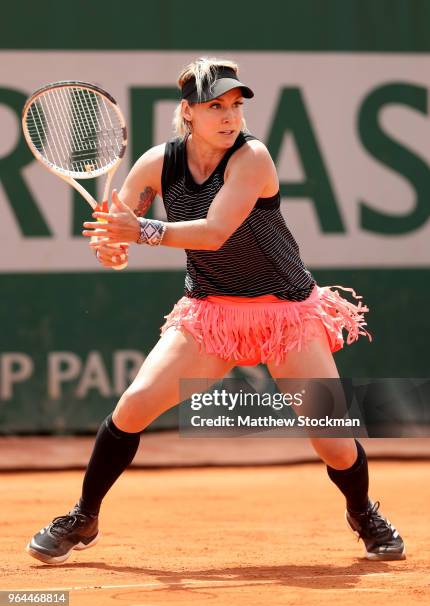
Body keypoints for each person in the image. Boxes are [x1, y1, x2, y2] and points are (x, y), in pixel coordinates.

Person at [26, 57, 405, 564]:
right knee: (134, 406)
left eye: (235, 106)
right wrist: (112, 246)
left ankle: (363, 513)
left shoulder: (253, 158)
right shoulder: (156, 164)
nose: (229, 117)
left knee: (333, 443)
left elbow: (213, 232)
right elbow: (120, 228)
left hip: (285, 316)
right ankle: (84, 514)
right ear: (187, 112)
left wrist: (136, 232)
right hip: (210, 316)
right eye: (214, 107)